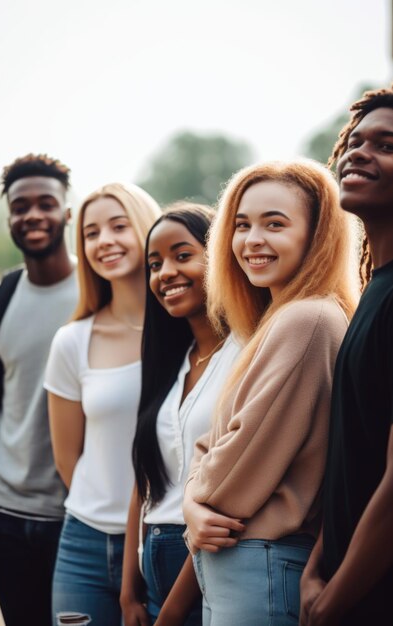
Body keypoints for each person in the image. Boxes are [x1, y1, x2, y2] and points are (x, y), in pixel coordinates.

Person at [183, 159, 357, 626]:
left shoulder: (308, 320)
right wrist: (190, 499)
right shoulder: (279, 319)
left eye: (274, 224)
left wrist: (196, 498)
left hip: (261, 559)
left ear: (316, 234)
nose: (251, 240)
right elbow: (211, 440)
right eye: (241, 225)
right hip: (245, 559)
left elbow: (243, 454)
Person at [44, 182, 161, 626]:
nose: (104, 241)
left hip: (165, 540)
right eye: (91, 233)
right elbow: (66, 457)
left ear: (147, 227)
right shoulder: (72, 341)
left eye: (118, 225)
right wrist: (104, 512)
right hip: (84, 544)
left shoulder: (188, 330)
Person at [120, 204, 241, 626]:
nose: (165, 272)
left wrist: (170, 612)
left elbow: (230, 496)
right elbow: (145, 475)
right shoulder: (171, 361)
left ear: (220, 256)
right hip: (150, 558)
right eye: (154, 264)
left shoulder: (247, 353)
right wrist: (127, 590)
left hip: (205, 561)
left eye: (182, 255)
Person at [299, 87, 393, 626]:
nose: (358, 152)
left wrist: (333, 600)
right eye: (355, 141)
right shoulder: (372, 291)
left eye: (386, 144)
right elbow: (353, 459)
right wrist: (318, 565)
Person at [0, 154, 78, 626]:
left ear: (67, 212)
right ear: (10, 217)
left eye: (45, 203)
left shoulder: (101, 293)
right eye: (20, 206)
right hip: (5, 514)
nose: (32, 215)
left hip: (79, 515)